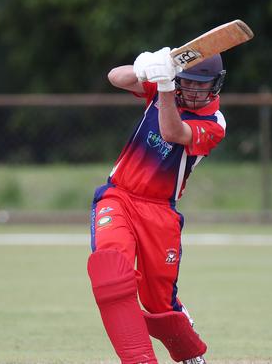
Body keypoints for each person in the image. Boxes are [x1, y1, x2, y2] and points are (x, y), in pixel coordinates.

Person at [87, 47, 227, 364]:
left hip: (159, 211)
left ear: (215, 85)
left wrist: (165, 85)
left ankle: (190, 353)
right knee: (111, 270)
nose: (191, 90)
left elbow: (172, 131)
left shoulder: (215, 122)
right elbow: (115, 77)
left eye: (200, 85)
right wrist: (148, 67)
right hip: (118, 196)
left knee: (159, 304)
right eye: (186, 82)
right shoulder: (166, 89)